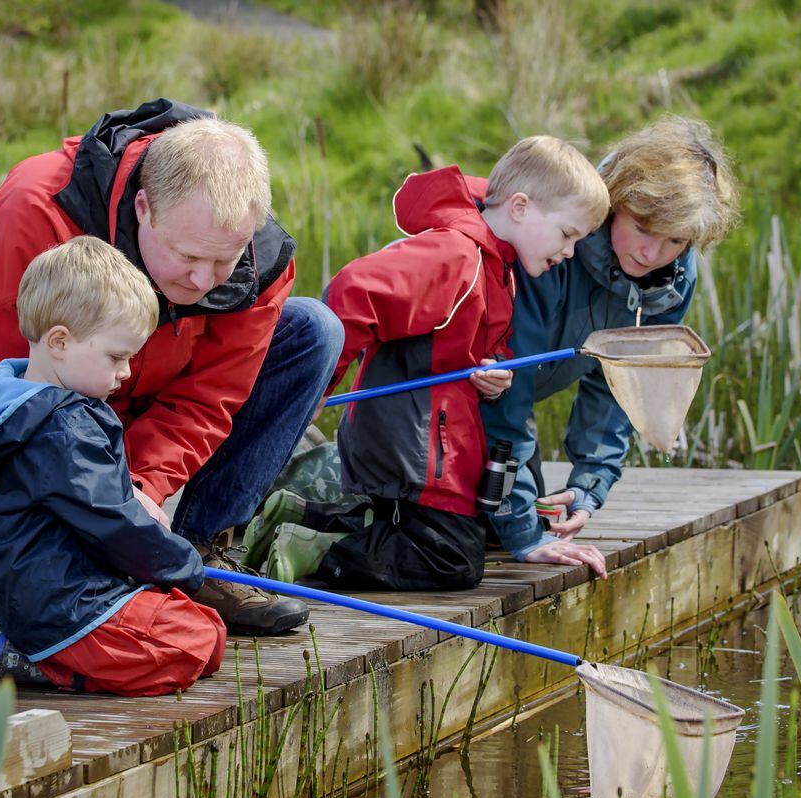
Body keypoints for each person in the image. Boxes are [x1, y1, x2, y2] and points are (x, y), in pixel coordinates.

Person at [0, 99, 343, 636]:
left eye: (224, 259)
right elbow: (23, 390)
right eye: (188, 256)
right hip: (33, 404)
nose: (203, 280)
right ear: (144, 207)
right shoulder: (38, 207)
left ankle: (202, 550)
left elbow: (207, 399)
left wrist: (143, 490)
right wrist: (107, 508)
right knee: (54, 561)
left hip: (151, 380)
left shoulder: (259, 259)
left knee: (314, 328)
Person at [243, 136, 611, 590]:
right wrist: (316, 386)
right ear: (520, 208)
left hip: (439, 442)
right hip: (412, 444)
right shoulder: (455, 256)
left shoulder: (498, 266)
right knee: (450, 560)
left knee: (461, 542)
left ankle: (301, 514)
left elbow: (462, 342)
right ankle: (308, 549)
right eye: (567, 234)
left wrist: (491, 370)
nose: (570, 251)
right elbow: (354, 290)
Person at [0, 236, 226, 694]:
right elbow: (111, 521)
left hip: (50, 594)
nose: (125, 373)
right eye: (117, 357)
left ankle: (35, 650)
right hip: (66, 607)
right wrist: (182, 563)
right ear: (60, 341)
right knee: (199, 641)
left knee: (199, 624)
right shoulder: (62, 428)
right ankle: (43, 665)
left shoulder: (13, 398)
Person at [482, 116, 740, 566]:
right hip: (453, 399)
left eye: (675, 240)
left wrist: (590, 484)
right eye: (641, 228)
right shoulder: (550, 244)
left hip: (503, 411)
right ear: (615, 202)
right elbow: (509, 395)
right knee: (476, 536)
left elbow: (620, 385)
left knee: (512, 525)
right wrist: (525, 535)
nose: (651, 253)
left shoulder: (672, 281)